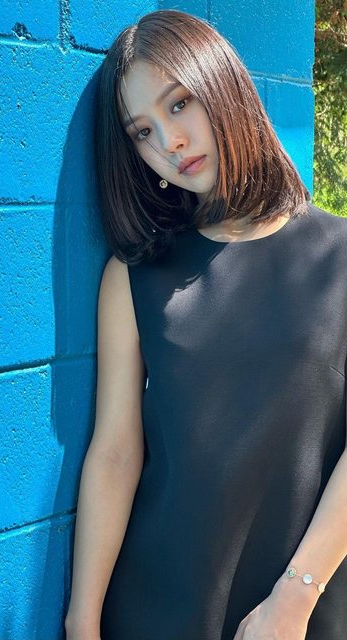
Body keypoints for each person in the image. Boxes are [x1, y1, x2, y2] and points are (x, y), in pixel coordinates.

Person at [64, 9, 347, 640]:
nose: (169, 142)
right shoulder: (134, 277)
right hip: (156, 612)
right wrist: (83, 620)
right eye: (142, 131)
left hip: (297, 615)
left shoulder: (340, 255)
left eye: (179, 104)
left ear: (223, 87)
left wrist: (294, 598)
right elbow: (114, 452)